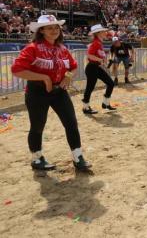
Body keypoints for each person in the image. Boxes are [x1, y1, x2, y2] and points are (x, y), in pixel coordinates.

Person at [11, 14, 91, 171]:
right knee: (37, 126)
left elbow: (73, 66)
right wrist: (44, 78)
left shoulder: (62, 48)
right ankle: (37, 158)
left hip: (59, 91)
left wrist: (67, 77)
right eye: (49, 28)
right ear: (41, 31)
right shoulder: (32, 49)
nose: (54, 30)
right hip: (37, 92)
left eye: (56, 27)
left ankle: (78, 156)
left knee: (71, 123)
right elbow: (17, 70)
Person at [82, 24, 116, 114]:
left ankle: (105, 103)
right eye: (103, 31)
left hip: (96, 67)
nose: (105, 32)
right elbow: (89, 55)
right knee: (90, 87)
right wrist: (100, 59)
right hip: (92, 68)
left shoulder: (99, 42)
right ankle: (85, 107)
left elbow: (96, 55)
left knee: (110, 83)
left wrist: (103, 60)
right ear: (98, 33)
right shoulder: (95, 43)